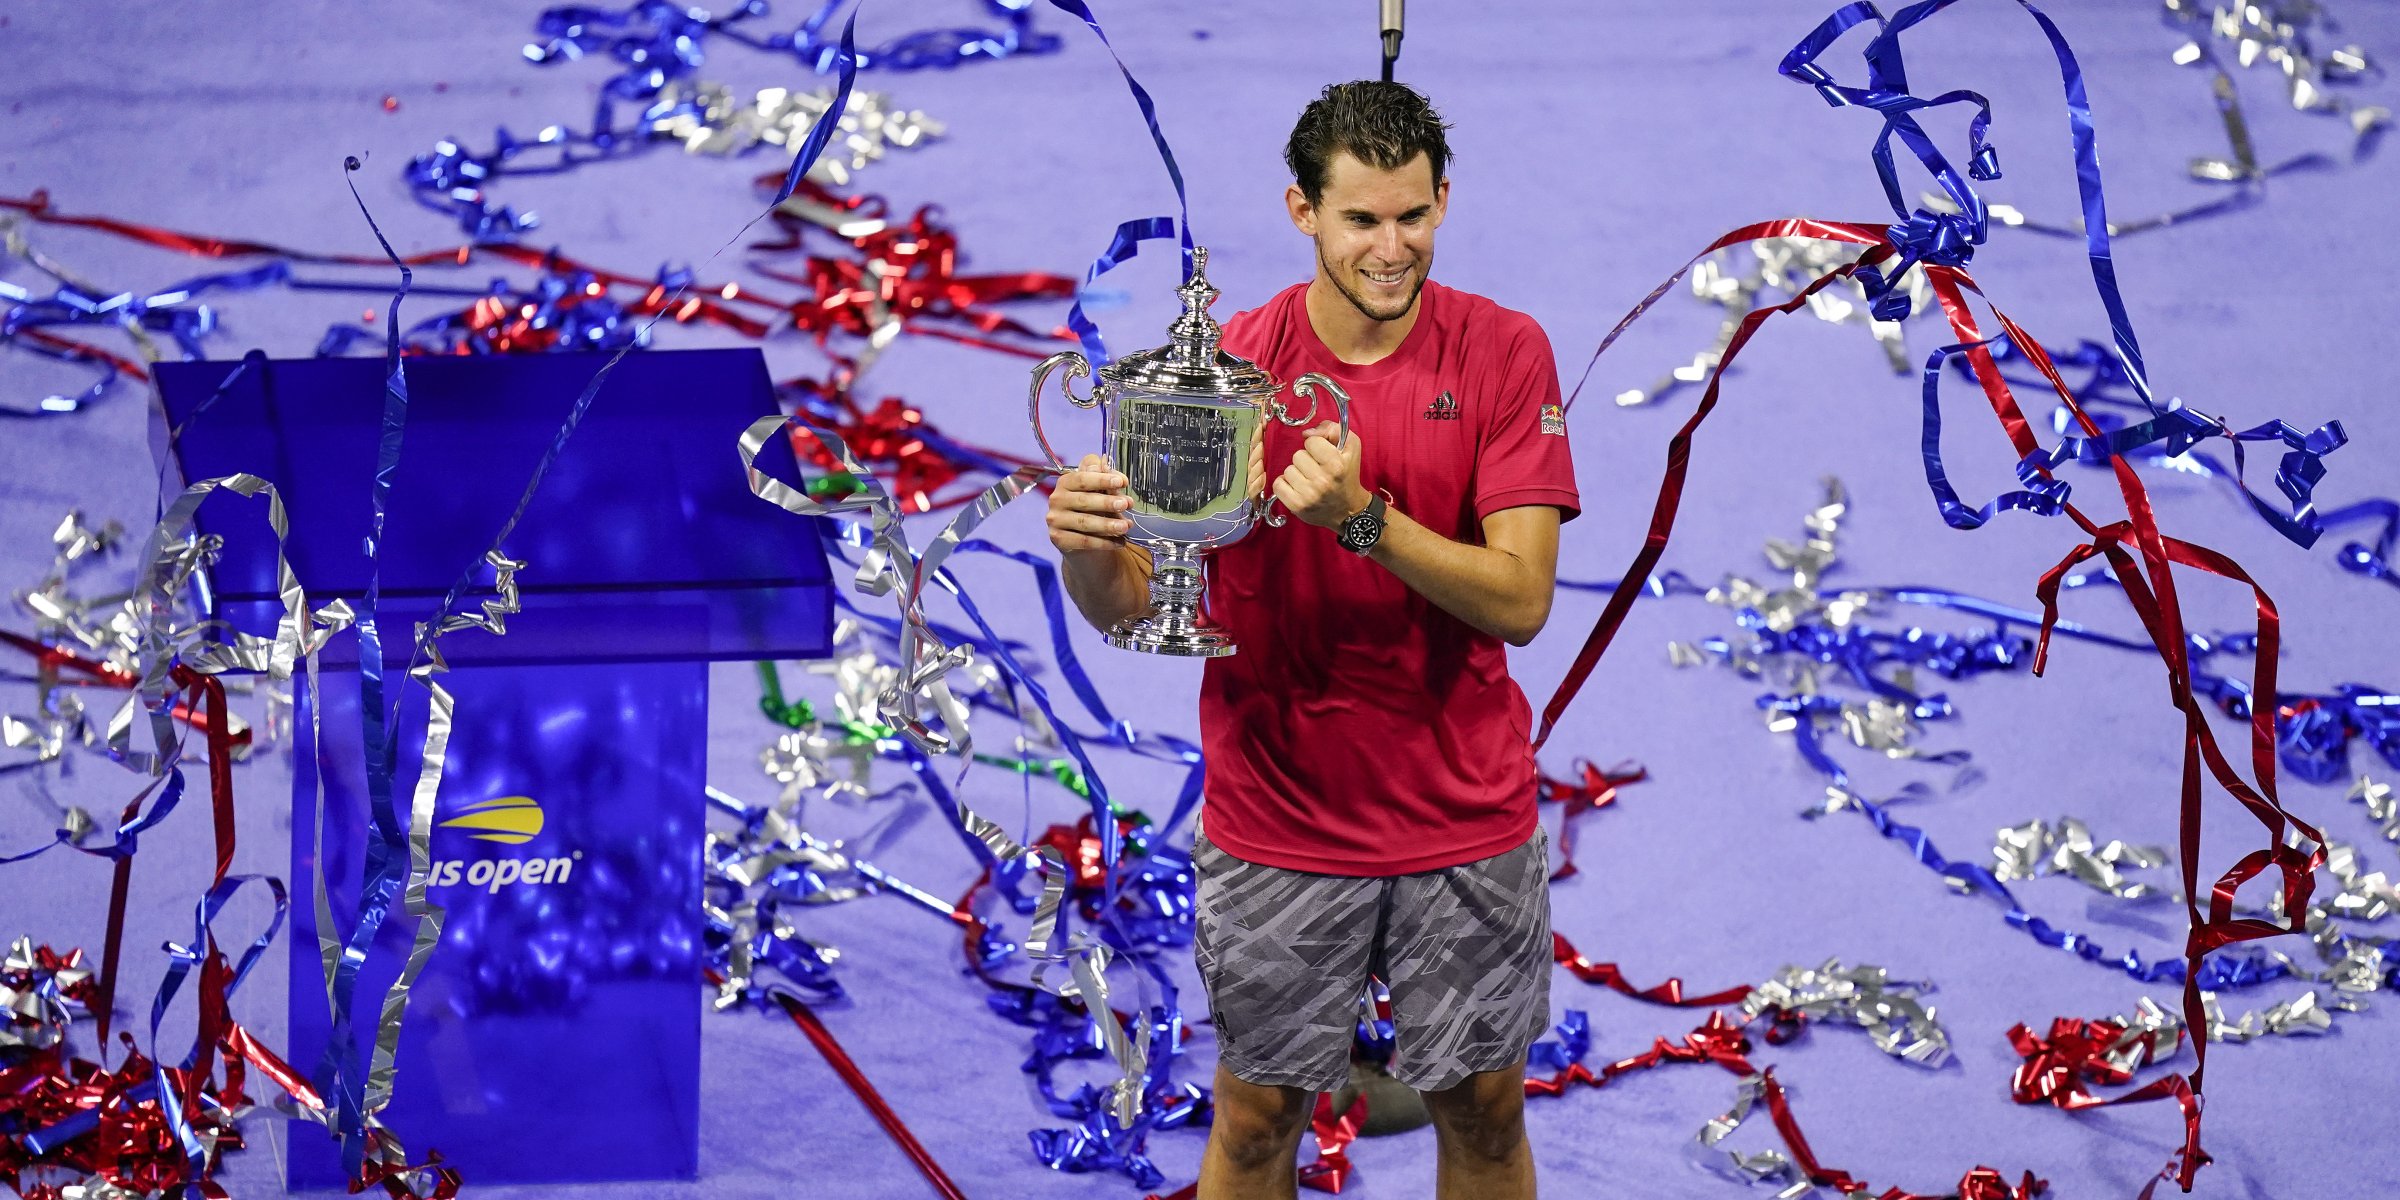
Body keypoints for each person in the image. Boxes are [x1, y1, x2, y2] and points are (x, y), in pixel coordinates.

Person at [1045, 80, 1577, 1200]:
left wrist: (1363, 522)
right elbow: (1139, 603)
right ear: (1302, 212)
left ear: (1443, 203)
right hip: (1280, 815)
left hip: (1463, 817)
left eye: (1414, 217)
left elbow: (1523, 601)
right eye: (1361, 220)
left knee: (1482, 1114)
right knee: (1253, 1122)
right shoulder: (1225, 370)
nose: (1393, 249)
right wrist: (1088, 547)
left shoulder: (1505, 352)